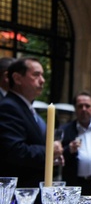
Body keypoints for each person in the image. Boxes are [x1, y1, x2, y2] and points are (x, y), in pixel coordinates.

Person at [0, 57, 63, 194]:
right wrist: (49, 151)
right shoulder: (8, 107)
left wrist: (54, 155)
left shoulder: (28, 109)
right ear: (17, 78)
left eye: (42, 75)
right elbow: (15, 150)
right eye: (36, 75)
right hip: (20, 192)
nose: (42, 80)